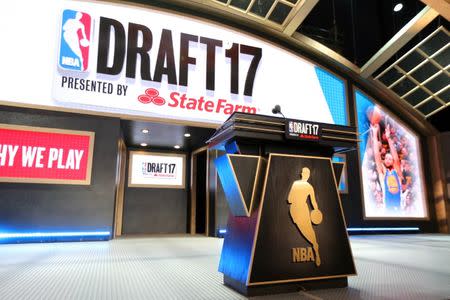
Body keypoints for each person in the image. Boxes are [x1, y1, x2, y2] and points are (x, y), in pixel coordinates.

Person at [287, 167, 321, 267]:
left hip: (295, 209)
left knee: (306, 231)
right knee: (308, 231)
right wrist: (316, 211)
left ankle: (315, 246)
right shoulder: (309, 187)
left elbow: (289, 199)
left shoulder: (295, 184)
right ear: (308, 175)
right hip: (302, 208)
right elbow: (314, 202)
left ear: (302, 174)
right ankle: (315, 247)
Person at [371, 122, 403, 211]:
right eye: (386, 158)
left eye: (390, 158)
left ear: (393, 161)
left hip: (399, 209)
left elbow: (396, 158)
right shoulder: (383, 173)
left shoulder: (397, 172)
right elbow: (377, 156)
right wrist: (374, 134)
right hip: (388, 209)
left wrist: (389, 138)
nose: (388, 159)